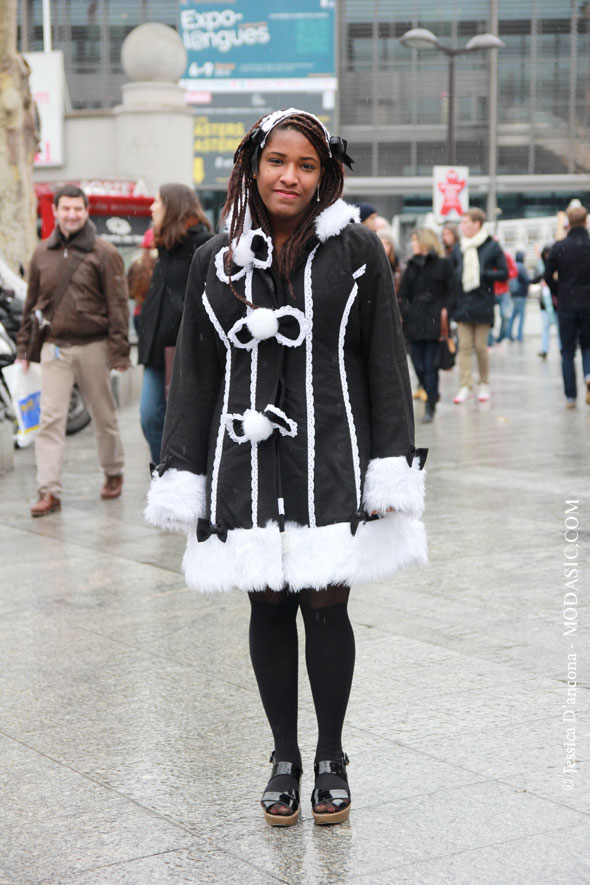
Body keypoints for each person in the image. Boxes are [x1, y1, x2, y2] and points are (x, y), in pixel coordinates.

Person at [144, 108, 427, 827]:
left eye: (305, 164)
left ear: (325, 172)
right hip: (243, 460)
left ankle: (330, 754)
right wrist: (182, 471)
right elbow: (196, 377)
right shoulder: (218, 258)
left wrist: (391, 468)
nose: (290, 176)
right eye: (277, 161)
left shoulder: (359, 249)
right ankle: (283, 753)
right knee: (266, 601)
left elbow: (385, 363)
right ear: (253, 165)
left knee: (327, 604)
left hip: (332, 451)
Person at [16, 184, 130, 516]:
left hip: (93, 346)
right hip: (54, 347)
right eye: (65, 209)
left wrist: (120, 353)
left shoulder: (104, 253)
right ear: (55, 211)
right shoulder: (41, 253)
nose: (71, 214)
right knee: (50, 420)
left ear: (86, 210)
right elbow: (30, 305)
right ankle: (48, 491)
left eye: (77, 209)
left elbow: (118, 305)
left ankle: (113, 470)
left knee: (103, 415)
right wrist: (24, 349)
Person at [137, 184, 213, 463]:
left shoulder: (204, 244)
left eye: (157, 202)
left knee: (185, 422)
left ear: (173, 206)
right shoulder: (164, 246)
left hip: (186, 353)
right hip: (157, 354)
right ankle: (164, 471)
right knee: (149, 417)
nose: (152, 208)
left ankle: (180, 472)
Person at [398, 228, 455, 423]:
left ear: (425, 241)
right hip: (414, 321)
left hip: (434, 321)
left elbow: (452, 290)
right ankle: (428, 390)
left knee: (431, 365)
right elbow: (403, 294)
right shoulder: (411, 266)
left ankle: (431, 401)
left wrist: (444, 310)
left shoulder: (443, 263)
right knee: (418, 365)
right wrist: (406, 311)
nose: (413, 244)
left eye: (415, 240)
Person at [452, 208, 508, 403]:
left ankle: (484, 382)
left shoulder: (491, 246)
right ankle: (465, 385)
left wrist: (483, 273)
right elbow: (453, 272)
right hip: (463, 303)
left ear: (477, 224)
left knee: (480, 346)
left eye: (466, 222)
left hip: (483, 301)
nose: (463, 226)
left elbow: (504, 272)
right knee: (464, 346)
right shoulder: (459, 246)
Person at [544, 204, 590, 408]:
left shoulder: (559, 247)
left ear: (568, 223)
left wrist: (558, 291)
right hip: (588, 303)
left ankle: (571, 396)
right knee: (588, 346)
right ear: (586, 222)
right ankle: (589, 374)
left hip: (567, 303)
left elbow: (547, 275)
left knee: (567, 351)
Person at [127, 227, 157, 335]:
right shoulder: (162, 263)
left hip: (139, 313)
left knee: (143, 349)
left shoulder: (136, 263)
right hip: (157, 315)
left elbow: (130, 292)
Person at [532, 245, 560, 358]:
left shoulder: (557, 268)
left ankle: (562, 348)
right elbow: (536, 278)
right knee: (545, 327)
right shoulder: (542, 269)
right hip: (545, 303)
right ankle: (544, 349)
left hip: (556, 302)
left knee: (559, 327)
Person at [507, 250, 530, 342]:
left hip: (514, 294)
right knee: (522, 316)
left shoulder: (513, 266)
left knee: (513, 316)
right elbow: (527, 280)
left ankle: (509, 335)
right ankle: (520, 336)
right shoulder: (521, 268)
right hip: (521, 295)